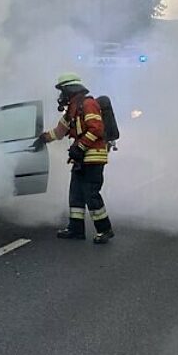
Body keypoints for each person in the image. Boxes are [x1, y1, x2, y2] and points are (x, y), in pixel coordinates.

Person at [38, 72, 114, 244]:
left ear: (69, 89)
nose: (60, 95)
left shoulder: (88, 104)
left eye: (62, 91)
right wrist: (42, 138)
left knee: (91, 194)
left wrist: (80, 147)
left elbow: (96, 129)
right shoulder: (72, 109)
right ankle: (76, 229)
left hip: (93, 158)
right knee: (76, 195)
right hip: (81, 159)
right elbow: (59, 132)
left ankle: (105, 230)